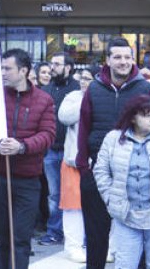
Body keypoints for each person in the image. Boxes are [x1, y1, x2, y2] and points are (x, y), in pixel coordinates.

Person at [77, 38, 150, 269]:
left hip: (134, 174)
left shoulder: (146, 88)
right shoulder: (94, 88)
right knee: (95, 236)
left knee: (136, 238)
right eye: (118, 57)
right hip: (97, 174)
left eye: (127, 57)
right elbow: (84, 128)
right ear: (108, 60)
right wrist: (83, 167)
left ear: (133, 59)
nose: (123, 62)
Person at [92, 96, 150, 269]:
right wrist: (110, 198)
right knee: (124, 264)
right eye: (146, 115)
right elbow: (101, 170)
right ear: (133, 117)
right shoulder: (113, 138)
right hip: (125, 213)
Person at [0, 48, 55, 269]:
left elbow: (48, 135)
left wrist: (22, 147)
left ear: (23, 70)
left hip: (27, 180)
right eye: (1, 67)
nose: (2, 72)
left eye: (7, 68)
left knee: (21, 239)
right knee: (1, 238)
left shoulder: (44, 100)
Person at [38, 51, 78, 247]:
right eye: (51, 64)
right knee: (54, 194)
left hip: (72, 151)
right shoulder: (46, 90)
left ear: (68, 68)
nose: (51, 67)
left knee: (74, 193)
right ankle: (54, 232)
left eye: (56, 64)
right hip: (51, 150)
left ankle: (76, 233)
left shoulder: (78, 89)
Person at [57, 67, 93, 262]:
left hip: (96, 163)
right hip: (73, 161)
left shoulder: (104, 96)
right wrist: (86, 100)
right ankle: (73, 247)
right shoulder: (73, 96)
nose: (83, 82)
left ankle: (105, 246)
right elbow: (64, 117)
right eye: (82, 78)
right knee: (73, 207)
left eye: (88, 78)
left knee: (102, 207)